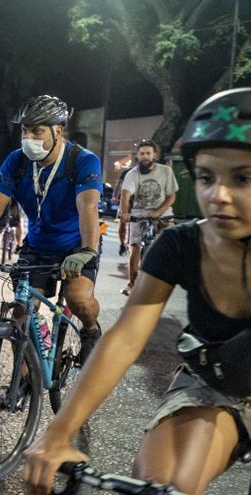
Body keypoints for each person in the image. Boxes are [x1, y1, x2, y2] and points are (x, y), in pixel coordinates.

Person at [23, 87, 251, 495]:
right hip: (216, 378)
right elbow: (127, 338)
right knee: (163, 482)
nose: (218, 195)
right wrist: (57, 434)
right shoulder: (181, 246)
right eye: (205, 177)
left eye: (243, 178)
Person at [0, 95, 104, 364]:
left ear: (58, 131)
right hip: (37, 245)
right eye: (25, 130)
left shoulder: (82, 161)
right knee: (21, 313)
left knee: (77, 298)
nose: (28, 137)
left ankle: (92, 330)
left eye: (37, 130)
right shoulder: (17, 162)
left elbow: (88, 207)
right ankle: (24, 384)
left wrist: (88, 251)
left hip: (76, 245)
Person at [119, 139, 179, 296]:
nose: (145, 156)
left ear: (155, 155)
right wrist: (125, 213)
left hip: (163, 212)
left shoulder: (166, 171)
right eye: (141, 153)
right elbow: (125, 196)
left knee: (171, 243)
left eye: (148, 153)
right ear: (137, 156)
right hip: (139, 213)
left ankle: (166, 279)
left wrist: (159, 211)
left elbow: (171, 197)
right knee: (134, 247)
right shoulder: (132, 174)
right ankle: (132, 283)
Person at [112, 160, 137, 256]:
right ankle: (122, 244)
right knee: (123, 222)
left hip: (139, 201)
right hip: (126, 200)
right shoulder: (127, 172)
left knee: (134, 224)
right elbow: (119, 184)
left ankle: (130, 243)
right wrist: (115, 196)